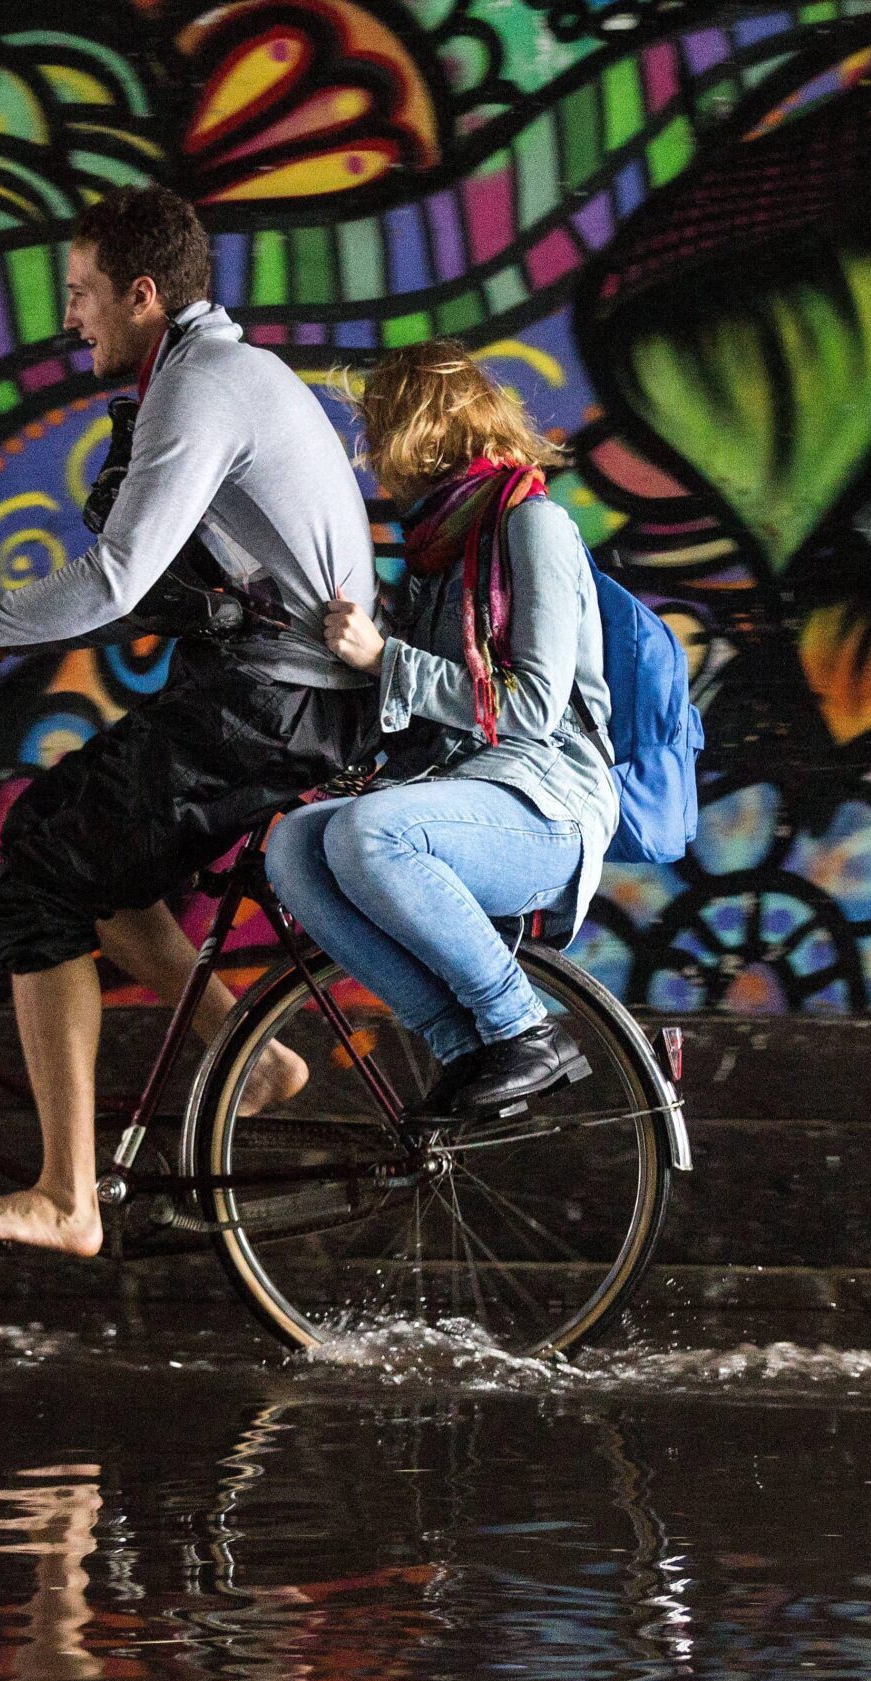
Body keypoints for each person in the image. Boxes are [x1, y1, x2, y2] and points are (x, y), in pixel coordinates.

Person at [0, 186, 379, 1256]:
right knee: (99, 865)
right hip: (272, 696)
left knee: (41, 858)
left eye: (82, 294)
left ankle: (67, 1197)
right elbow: (150, 596)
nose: (72, 318)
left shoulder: (200, 389)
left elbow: (111, 579)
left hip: (273, 701)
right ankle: (254, 1050)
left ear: (143, 295)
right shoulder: (207, 378)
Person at [266, 342, 618, 1117]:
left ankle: (524, 1025)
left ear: (422, 432)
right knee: (292, 846)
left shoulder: (534, 527)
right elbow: (432, 708)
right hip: (464, 792)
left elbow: (530, 705)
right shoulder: (439, 552)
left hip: (547, 804)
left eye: (380, 434)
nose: (374, 461)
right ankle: (463, 1046)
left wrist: (383, 656)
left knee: (368, 835)